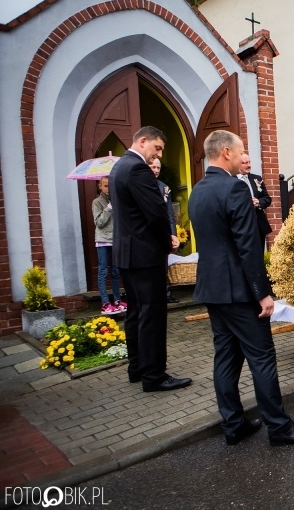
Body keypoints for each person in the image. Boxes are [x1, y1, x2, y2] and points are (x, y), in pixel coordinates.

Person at [189, 130, 294, 447]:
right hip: (239, 292)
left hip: (211, 289)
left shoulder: (198, 191)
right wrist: (263, 293)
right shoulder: (234, 189)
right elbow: (248, 248)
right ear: (225, 152)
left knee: (226, 357)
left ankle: (233, 424)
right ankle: (279, 427)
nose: (241, 157)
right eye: (240, 152)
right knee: (262, 358)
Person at [109, 126, 191, 392]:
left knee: (135, 312)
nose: (158, 154)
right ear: (142, 141)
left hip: (126, 253)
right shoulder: (137, 168)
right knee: (152, 315)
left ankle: (137, 369)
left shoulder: (118, 167)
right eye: (157, 148)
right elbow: (155, 212)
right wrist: (167, 240)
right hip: (145, 255)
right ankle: (154, 376)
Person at [91, 176, 125, 315]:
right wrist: (109, 208)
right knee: (103, 270)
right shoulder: (97, 202)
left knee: (116, 271)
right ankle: (105, 303)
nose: (108, 189)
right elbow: (99, 222)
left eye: (110, 186)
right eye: (105, 186)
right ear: (100, 186)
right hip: (103, 240)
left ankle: (117, 300)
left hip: (115, 239)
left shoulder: (116, 200)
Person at [149, 158, 180, 304]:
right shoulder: (141, 185)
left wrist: (173, 234)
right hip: (147, 234)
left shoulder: (164, 188)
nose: (155, 170)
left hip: (162, 233)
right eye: (153, 167)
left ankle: (165, 293)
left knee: (163, 265)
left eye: (158, 168)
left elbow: (169, 214)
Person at [238, 153, 273, 251]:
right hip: (242, 224)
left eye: (249, 162)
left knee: (259, 253)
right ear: (237, 164)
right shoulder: (232, 180)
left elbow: (267, 198)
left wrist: (259, 202)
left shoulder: (256, 178)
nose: (248, 165)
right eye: (244, 163)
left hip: (258, 224)